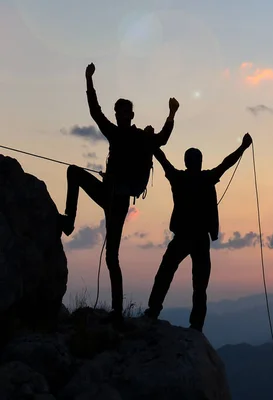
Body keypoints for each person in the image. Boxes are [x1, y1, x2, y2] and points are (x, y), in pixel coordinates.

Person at [59, 62, 180, 328]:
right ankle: (68, 220)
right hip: (109, 193)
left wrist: (171, 114)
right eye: (119, 112)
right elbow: (95, 112)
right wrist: (89, 81)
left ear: (130, 114)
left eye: (124, 112)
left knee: (112, 256)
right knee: (74, 172)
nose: (121, 115)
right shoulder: (117, 132)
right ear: (118, 114)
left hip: (117, 198)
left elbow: (161, 139)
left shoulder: (136, 136)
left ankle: (116, 310)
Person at [144, 133, 253, 331]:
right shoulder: (207, 178)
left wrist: (150, 141)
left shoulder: (179, 178)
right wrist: (243, 147)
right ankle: (196, 325)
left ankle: (153, 310)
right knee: (199, 284)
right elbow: (226, 163)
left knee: (166, 272)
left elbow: (162, 159)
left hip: (183, 237)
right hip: (200, 239)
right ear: (199, 162)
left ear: (186, 162)